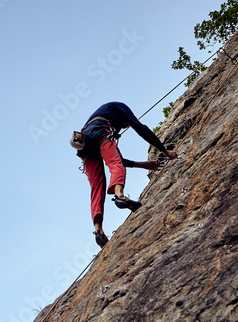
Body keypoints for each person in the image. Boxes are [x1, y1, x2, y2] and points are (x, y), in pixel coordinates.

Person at [75, 101, 177, 247]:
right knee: (116, 166)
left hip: (84, 145)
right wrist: (164, 151)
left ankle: (99, 231)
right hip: (99, 132)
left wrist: (144, 165)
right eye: (126, 125)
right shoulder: (120, 107)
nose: (125, 127)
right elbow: (142, 129)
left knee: (97, 187)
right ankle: (120, 197)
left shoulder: (105, 113)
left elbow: (118, 158)